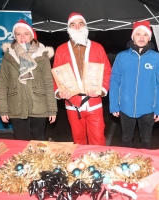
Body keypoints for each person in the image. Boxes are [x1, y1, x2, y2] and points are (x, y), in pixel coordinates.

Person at [52, 12, 111, 145]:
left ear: (85, 26)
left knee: (98, 139)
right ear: (69, 29)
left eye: (80, 24)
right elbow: (56, 75)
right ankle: (81, 165)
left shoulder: (97, 48)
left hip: (94, 101)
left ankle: (98, 165)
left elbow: (107, 71)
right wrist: (59, 92)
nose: (77, 27)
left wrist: (101, 89)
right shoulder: (61, 50)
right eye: (73, 25)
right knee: (78, 141)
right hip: (72, 102)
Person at [109, 20, 159, 149]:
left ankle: (145, 166)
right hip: (125, 107)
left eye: (145, 35)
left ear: (149, 37)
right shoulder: (122, 57)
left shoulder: (157, 58)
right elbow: (114, 81)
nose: (141, 38)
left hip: (148, 109)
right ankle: (127, 167)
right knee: (126, 139)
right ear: (133, 36)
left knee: (146, 140)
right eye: (138, 34)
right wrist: (114, 105)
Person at [0, 20, 57, 140]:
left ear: (32, 35)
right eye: (18, 34)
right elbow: (2, 83)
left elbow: (48, 83)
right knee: (20, 141)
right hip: (16, 105)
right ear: (15, 36)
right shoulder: (9, 56)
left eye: (26, 33)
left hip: (39, 104)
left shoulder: (42, 55)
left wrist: (52, 109)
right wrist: (3, 110)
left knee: (39, 141)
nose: (22, 37)